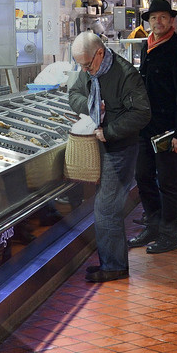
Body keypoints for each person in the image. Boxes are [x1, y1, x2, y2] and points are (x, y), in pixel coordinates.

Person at [67, 32, 151, 283]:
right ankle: (112, 261)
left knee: (106, 208)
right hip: (100, 147)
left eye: (87, 64)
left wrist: (110, 131)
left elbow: (142, 113)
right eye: (80, 65)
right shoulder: (89, 71)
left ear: (100, 53)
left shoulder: (125, 75)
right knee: (106, 207)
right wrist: (92, 105)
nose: (84, 69)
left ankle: (114, 266)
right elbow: (74, 95)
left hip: (120, 147)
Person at [127, 0, 177, 255]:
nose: (157, 22)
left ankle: (169, 234)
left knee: (168, 182)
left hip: (169, 130)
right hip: (146, 127)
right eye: (153, 18)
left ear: (172, 21)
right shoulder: (149, 46)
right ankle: (153, 224)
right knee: (143, 175)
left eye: (163, 18)